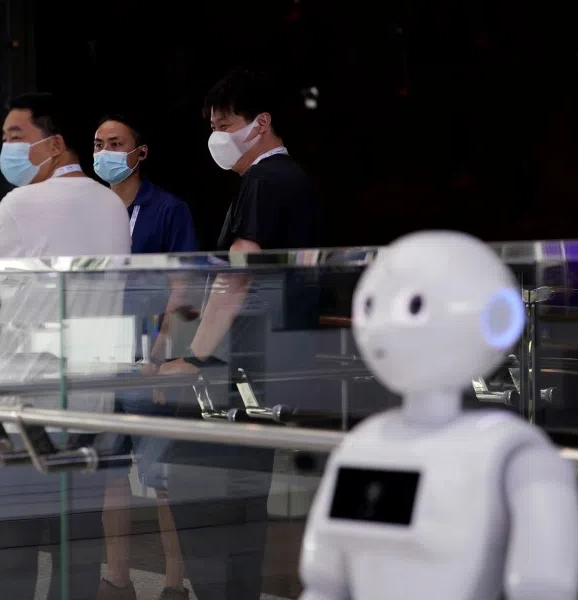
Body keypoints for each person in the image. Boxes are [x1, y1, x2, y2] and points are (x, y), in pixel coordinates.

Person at [158, 67, 321, 600]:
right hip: (274, 368)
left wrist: (195, 359)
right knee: (243, 507)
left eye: (225, 123)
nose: (217, 136)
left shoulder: (265, 181)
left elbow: (236, 276)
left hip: (241, 369)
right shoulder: (292, 179)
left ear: (262, 123)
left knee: (199, 490)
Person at [0, 92, 132, 600]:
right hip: (90, 402)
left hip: (22, 398)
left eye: (15, 137)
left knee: (5, 545)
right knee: (75, 546)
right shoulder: (111, 202)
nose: (6, 148)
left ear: (54, 143)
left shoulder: (22, 203)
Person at [93, 114, 198, 600]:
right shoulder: (90, 210)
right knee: (110, 472)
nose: (106, 152)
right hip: (100, 357)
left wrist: (158, 356)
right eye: (98, 144)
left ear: (141, 152)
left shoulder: (167, 210)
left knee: (160, 479)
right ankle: (117, 577)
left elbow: (182, 288)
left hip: (149, 359)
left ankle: (175, 583)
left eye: (116, 143)